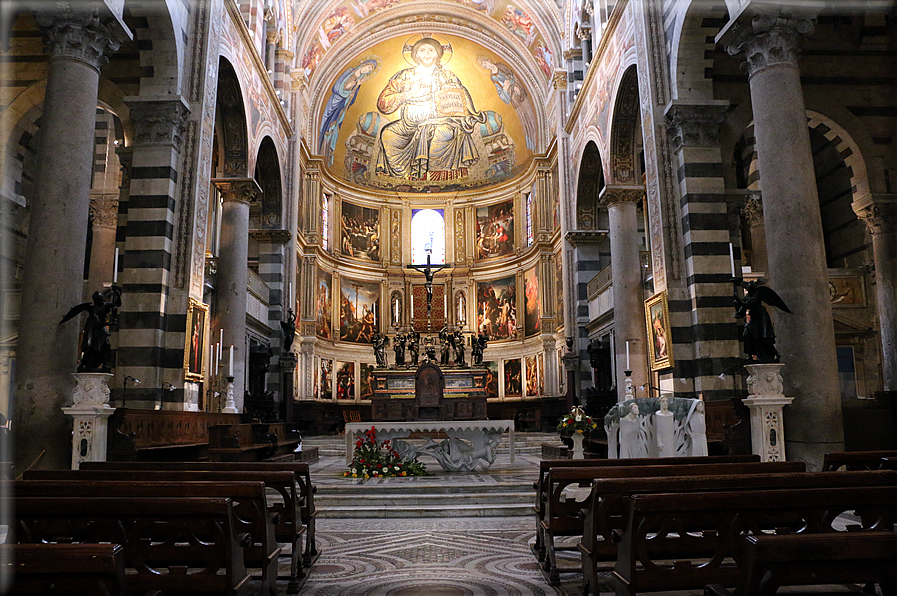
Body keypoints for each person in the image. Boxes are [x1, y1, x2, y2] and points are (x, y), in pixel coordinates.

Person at [375, 36, 486, 180]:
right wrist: (408, 94)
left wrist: (453, 93)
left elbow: (462, 99)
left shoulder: (447, 76)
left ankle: (434, 179)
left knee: (443, 133)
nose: (427, 54)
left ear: (438, 54)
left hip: (441, 122)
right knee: (388, 134)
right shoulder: (404, 75)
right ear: (415, 55)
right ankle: (404, 178)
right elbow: (383, 103)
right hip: (408, 126)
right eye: (422, 50)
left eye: (431, 50)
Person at [318, 59, 379, 165]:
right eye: (368, 67)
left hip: (342, 106)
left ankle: (328, 151)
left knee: (335, 126)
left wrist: (355, 86)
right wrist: (351, 86)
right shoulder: (350, 71)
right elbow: (336, 88)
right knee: (327, 123)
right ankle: (320, 143)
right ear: (364, 64)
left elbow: (352, 99)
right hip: (335, 101)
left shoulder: (360, 81)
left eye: (369, 70)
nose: (367, 71)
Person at [59, 285, 122, 372]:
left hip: (101, 328)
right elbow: (97, 322)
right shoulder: (93, 309)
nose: (102, 298)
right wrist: (109, 323)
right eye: (100, 297)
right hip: (92, 328)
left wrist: (116, 293)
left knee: (106, 345)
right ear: (96, 299)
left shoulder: (105, 305)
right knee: (89, 346)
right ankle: (83, 363)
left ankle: (105, 364)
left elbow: (117, 304)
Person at [733, 280, 791, 362]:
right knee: (748, 334)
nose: (747, 289)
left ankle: (774, 353)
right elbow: (743, 306)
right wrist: (738, 308)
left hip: (761, 318)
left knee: (764, 337)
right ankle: (751, 355)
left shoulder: (757, 294)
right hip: (753, 317)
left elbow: (747, 304)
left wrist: (737, 297)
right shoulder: (749, 295)